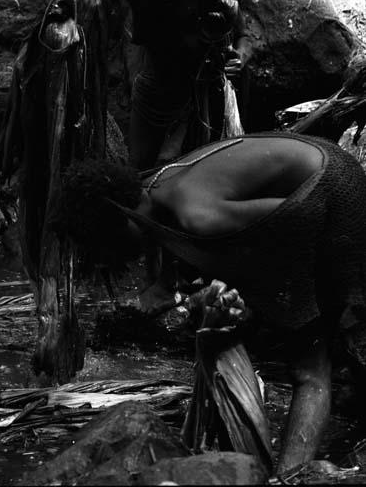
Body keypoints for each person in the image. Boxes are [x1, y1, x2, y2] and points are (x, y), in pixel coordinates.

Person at [58, 132, 366, 475]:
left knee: (309, 370)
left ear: (120, 220)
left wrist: (265, 302)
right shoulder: (158, 185)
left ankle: (290, 476)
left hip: (334, 193)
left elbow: (297, 219)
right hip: (322, 167)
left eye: (112, 247)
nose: (123, 258)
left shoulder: (199, 215)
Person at [101, 0, 251, 170]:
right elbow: (93, 9)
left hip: (204, 89)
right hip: (154, 87)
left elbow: (243, 36)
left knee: (198, 170)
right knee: (141, 168)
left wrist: (239, 57)